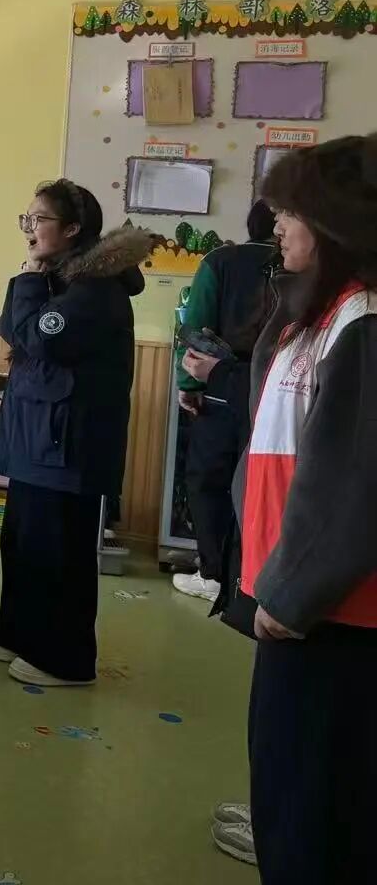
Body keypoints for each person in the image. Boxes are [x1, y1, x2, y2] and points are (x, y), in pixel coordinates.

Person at [234, 135, 377, 882]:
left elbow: (356, 483)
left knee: (318, 821)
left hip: (332, 615)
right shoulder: (320, 310)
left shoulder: (364, 321)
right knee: (285, 793)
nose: (278, 224)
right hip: (291, 599)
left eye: (292, 211)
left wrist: (293, 596)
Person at [0, 180, 150, 688]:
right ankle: (17, 630)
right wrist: (30, 276)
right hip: (36, 434)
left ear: (73, 229)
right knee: (23, 543)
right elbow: (12, 327)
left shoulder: (96, 288)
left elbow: (42, 339)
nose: (29, 228)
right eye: (27, 219)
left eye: (39, 219)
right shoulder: (56, 278)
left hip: (67, 443)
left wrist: (31, 281)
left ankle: (65, 657)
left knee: (59, 552)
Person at [173, 201, 279, 603]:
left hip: (219, 385)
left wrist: (189, 384)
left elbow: (196, 328)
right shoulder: (304, 267)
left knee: (208, 482)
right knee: (260, 484)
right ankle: (253, 577)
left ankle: (214, 574)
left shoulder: (221, 261)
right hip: (276, 392)